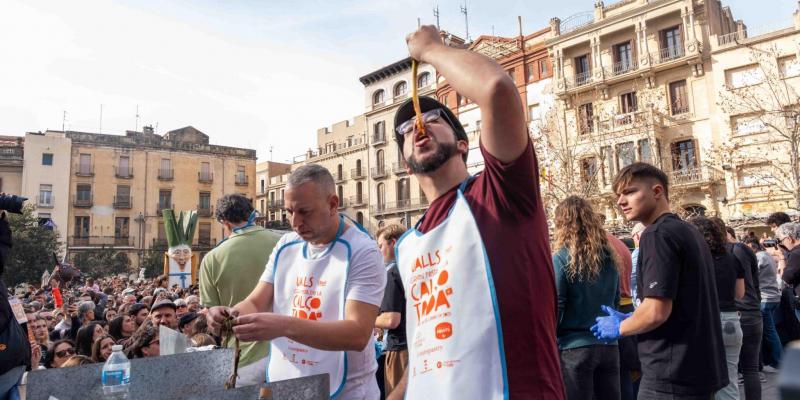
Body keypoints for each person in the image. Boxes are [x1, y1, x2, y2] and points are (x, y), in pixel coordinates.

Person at [387, 25, 564, 400]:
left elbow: (497, 89)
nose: (418, 124)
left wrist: (432, 49)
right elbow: (425, 345)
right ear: (405, 165)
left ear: (465, 144)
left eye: (434, 119)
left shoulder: (501, 193)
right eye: (405, 129)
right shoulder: (406, 245)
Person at [208, 164, 385, 399]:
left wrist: (283, 326)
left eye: (305, 212)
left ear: (333, 204)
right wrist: (230, 315)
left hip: (345, 391)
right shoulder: (285, 246)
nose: (294, 222)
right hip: (287, 386)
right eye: (289, 212)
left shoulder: (363, 251)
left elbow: (358, 333)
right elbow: (257, 301)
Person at [593, 162, 727, 399]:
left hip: (670, 373)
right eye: (618, 195)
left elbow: (657, 311)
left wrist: (621, 327)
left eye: (630, 192)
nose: (621, 201)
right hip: (697, 368)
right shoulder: (688, 230)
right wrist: (635, 316)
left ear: (657, 192)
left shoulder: (657, 234)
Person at [200, 194, 280, 388]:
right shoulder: (282, 243)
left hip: (243, 360)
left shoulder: (211, 259)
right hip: (286, 352)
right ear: (252, 213)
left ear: (222, 221)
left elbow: (212, 316)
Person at [552, 196, 621, 400]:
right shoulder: (609, 257)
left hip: (575, 347)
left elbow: (557, 304)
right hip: (609, 346)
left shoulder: (562, 258)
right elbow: (615, 300)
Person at [689, 217, 744, 400]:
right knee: (729, 381)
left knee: (701, 382)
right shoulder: (732, 257)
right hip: (731, 320)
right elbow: (740, 293)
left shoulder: (695, 260)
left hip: (705, 321)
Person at [716, 219, 762, 399]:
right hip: (751, 312)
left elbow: (739, 291)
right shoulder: (742, 250)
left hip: (738, 312)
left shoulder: (728, 254)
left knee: (734, 369)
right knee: (750, 369)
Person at [374, 224, 408, 397]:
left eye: (380, 246)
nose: (378, 252)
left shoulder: (392, 273)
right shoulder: (410, 268)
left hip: (399, 350)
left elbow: (391, 320)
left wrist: (368, 319)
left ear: (392, 243)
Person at [744, 236, 783, 369]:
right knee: (770, 330)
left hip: (766, 298)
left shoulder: (759, 257)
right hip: (772, 297)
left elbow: (751, 274)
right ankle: (774, 360)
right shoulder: (767, 255)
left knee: (769, 331)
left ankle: (778, 361)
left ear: (750, 245)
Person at [778, 222, 800, 322]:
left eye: (782, 240)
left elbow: (786, 279)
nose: (781, 244)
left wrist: (781, 258)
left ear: (789, 238)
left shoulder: (796, 254)